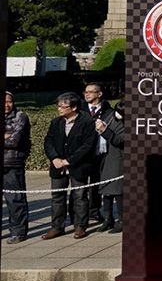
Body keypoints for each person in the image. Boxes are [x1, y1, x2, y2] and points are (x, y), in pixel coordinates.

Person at [44, 92, 97, 239]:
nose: (59, 109)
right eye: (58, 106)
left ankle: (80, 226)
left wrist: (69, 160)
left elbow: (88, 145)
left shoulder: (87, 121)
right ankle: (56, 227)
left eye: (63, 106)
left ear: (73, 107)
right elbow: (48, 141)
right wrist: (54, 158)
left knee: (79, 196)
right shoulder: (56, 122)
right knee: (57, 197)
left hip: (78, 166)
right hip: (57, 166)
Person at [82, 83, 111, 229]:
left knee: (96, 183)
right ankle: (80, 213)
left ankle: (94, 211)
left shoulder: (108, 111)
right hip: (83, 153)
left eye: (90, 92)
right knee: (80, 186)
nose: (87, 94)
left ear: (99, 94)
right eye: (85, 92)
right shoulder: (81, 111)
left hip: (100, 153)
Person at [4, 92, 32, 243]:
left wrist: (9, 137)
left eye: (9, 101)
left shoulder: (20, 116)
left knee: (15, 199)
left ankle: (18, 231)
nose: (7, 105)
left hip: (12, 163)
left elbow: (15, 141)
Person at [94, 100, 125, 233]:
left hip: (118, 158)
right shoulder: (111, 116)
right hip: (105, 157)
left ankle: (122, 220)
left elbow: (119, 140)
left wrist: (104, 130)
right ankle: (108, 219)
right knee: (105, 190)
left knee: (117, 191)